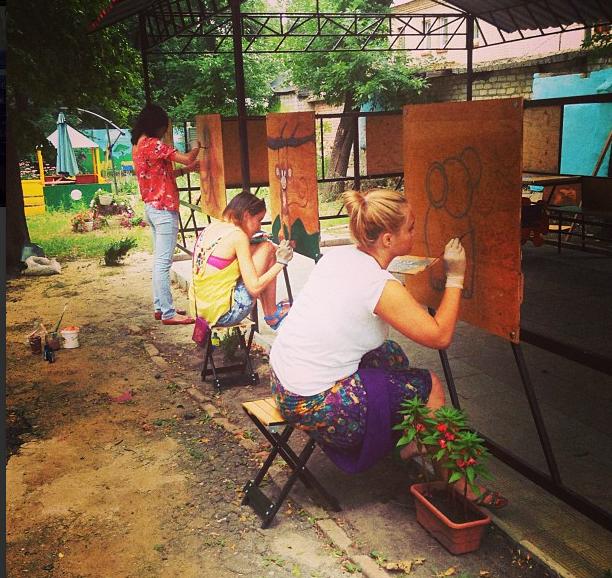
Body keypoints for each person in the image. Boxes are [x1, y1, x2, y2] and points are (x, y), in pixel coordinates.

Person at [269, 188, 507, 509]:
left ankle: (410, 439)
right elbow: (439, 337)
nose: (414, 231)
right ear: (386, 240)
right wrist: (455, 276)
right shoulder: (377, 284)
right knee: (430, 385)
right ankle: (461, 484)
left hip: (283, 381)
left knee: (391, 354)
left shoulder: (339, 256)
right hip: (311, 403)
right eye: (409, 227)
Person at [131, 103, 200, 325]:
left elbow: (162, 175)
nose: (165, 132)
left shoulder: (139, 145)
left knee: (158, 262)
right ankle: (169, 313)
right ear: (156, 126)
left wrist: (185, 171)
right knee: (163, 263)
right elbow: (188, 157)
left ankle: (160, 307)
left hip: (152, 208)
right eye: (165, 127)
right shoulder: (153, 144)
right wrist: (198, 145)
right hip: (163, 209)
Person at [189, 192, 294, 333]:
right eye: (259, 220)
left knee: (263, 246)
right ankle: (272, 314)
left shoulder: (212, 227)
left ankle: (271, 312)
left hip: (201, 310)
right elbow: (254, 288)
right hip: (224, 315)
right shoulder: (238, 236)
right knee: (268, 248)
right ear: (246, 216)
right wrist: (281, 262)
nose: (259, 226)